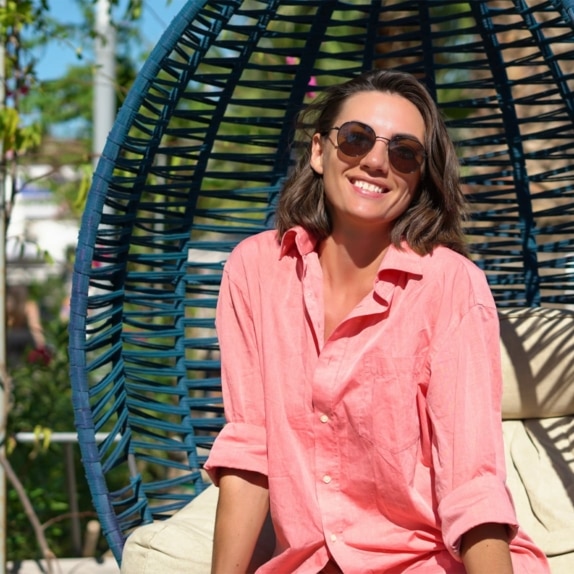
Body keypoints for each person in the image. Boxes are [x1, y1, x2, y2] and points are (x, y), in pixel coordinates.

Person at [203, 69, 550, 573]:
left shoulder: (452, 285)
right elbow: (250, 448)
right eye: (356, 138)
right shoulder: (255, 270)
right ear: (319, 151)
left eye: (405, 152)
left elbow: (471, 481)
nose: (376, 161)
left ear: (421, 177)